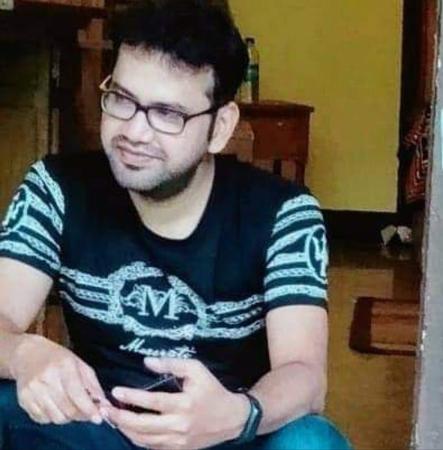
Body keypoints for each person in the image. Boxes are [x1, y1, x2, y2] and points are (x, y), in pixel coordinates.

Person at [0, 0, 351, 448]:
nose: (134, 132)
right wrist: (22, 352)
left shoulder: (283, 212)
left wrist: (239, 414)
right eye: (122, 99)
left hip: (227, 432)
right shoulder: (57, 188)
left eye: (168, 114)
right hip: (98, 428)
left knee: (310, 441)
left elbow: (305, 376)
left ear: (220, 127)